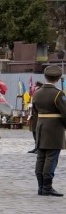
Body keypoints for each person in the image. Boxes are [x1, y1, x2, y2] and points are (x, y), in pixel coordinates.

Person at [32, 65, 66, 197]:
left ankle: (41, 186)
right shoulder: (58, 94)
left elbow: (34, 110)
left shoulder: (37, 92)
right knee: (51, 157)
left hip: (40, 126)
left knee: (41, 157)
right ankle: (47, 186)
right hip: (54, 128)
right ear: (57, 79)